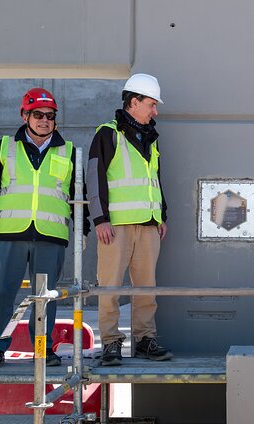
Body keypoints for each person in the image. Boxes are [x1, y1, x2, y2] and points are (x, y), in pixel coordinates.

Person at [0, 87, 89, 368]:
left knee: (45, 298)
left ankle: (42, 348)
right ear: (24, 115)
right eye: (37, 114)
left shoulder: (69, 150)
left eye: (50, 116)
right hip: (9, 234)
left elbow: (79, 195)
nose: (44, 120)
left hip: (51, 236)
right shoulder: (5, 147)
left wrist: (81, 230)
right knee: (3, 293)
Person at [87, 73, 172, 366]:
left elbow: (155, 180)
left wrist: (161, 215)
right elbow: (94, 178)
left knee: (146, 287)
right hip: (116, 226)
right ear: (133, 102)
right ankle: (110, 343)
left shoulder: (150, 137)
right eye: (151, 104)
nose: (155, 111)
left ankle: (145, 339)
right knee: (110, 286)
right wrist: (99, 219)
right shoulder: (107, 134)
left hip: (148, 224)